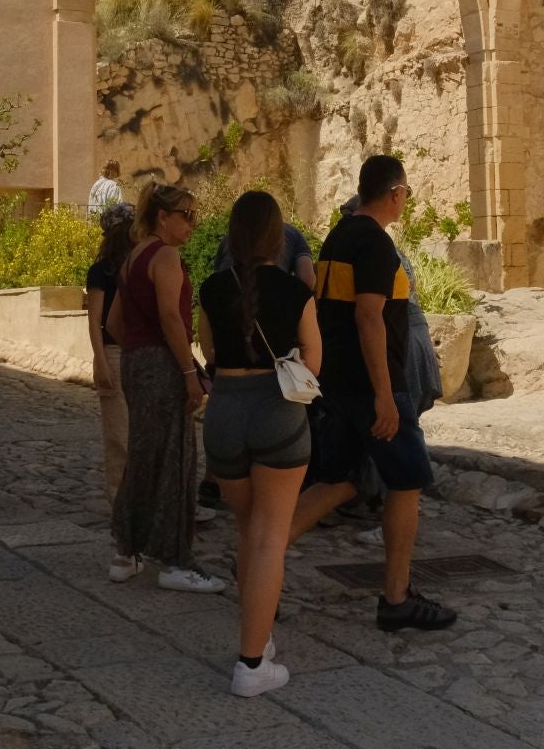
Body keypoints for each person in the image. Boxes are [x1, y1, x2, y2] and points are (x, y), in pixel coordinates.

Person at [290, 155, 457, 632]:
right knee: (406, 483)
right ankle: (396, 597)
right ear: (396, 194)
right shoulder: (376, 246)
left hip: (338, 384)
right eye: (406, 195)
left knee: (341, 479)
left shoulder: (337, 238)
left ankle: (262, 553)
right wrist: (385, 395)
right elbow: (369, 317)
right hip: (372, 387)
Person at [199, 191, 322, 696]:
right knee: (272, 537)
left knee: (249, 531)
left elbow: (207, 350)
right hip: (277, 414)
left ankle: (261, 639)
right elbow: (313, 361)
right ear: (277, 238)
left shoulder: (210, 288)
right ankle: (251, 665)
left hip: (224, 414)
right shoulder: (296, 293)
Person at [105, 182, 225, 594]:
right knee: (175, 460)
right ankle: (175, 560)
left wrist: (141, 351)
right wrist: (189, 374)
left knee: (143, 455)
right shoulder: (166, 256)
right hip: (163, 365)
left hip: (136, 364)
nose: (193, 224)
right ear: (163, 217)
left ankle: (126, 550)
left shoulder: (132, 257)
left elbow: (115, 324)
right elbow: (173, 318)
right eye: (187, 215)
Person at [332, 193, 441, 536]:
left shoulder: (368, 247)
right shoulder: (379, 247)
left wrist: (384, 392)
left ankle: (384, 511)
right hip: (397, 351)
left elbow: (370, 316)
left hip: (394, 353)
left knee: (399, 463)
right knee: (391, 458)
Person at [85, 202, 138, 507]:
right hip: (114, 353)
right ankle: (120, 500)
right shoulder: (102, 270)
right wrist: (100, 360)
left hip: (138, 352)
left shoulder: (142, 265)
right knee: (118, 434)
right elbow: (95, 319)